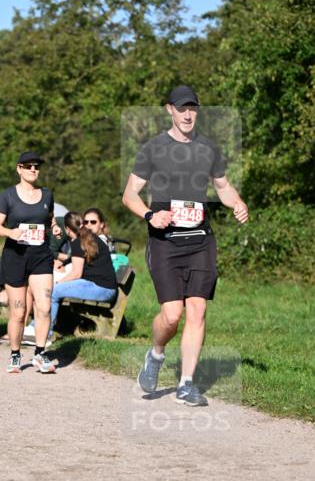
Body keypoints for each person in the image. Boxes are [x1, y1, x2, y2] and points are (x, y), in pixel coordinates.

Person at [122, 84, 249, 407]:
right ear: (170, 110)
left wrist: (237, 203)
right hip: (166, 242)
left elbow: (222, 186)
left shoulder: (208, 148)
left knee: (198, 309)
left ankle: (186, 384)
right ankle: (156, 354)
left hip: (200, 240)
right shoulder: (153, 149)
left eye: (192, 108)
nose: (188, 114)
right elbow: (129, 196)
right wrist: (151, 215)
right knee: (171, 314)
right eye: (182, 108)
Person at [0, 150, 60, 374]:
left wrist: (55, 228)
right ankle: (15, 354)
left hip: (41, 256)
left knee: (45, 307)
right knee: (19, 312)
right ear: (19, 169)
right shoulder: (7, 196)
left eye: (36, 166)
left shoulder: (47, 195)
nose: (33, 170)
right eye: (28, 166)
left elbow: (49, 219)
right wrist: (11, 233)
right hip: (15, 256)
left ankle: (40, 354)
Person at [49, 211, 117, 333]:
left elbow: (76, 274)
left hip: (101, 289)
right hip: (104, 286)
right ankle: (39, 328)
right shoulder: (90, 237)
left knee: (54, 291)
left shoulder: (77, 242)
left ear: (67, 229)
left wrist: (59, 283)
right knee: (56, 289)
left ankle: (45, 333)